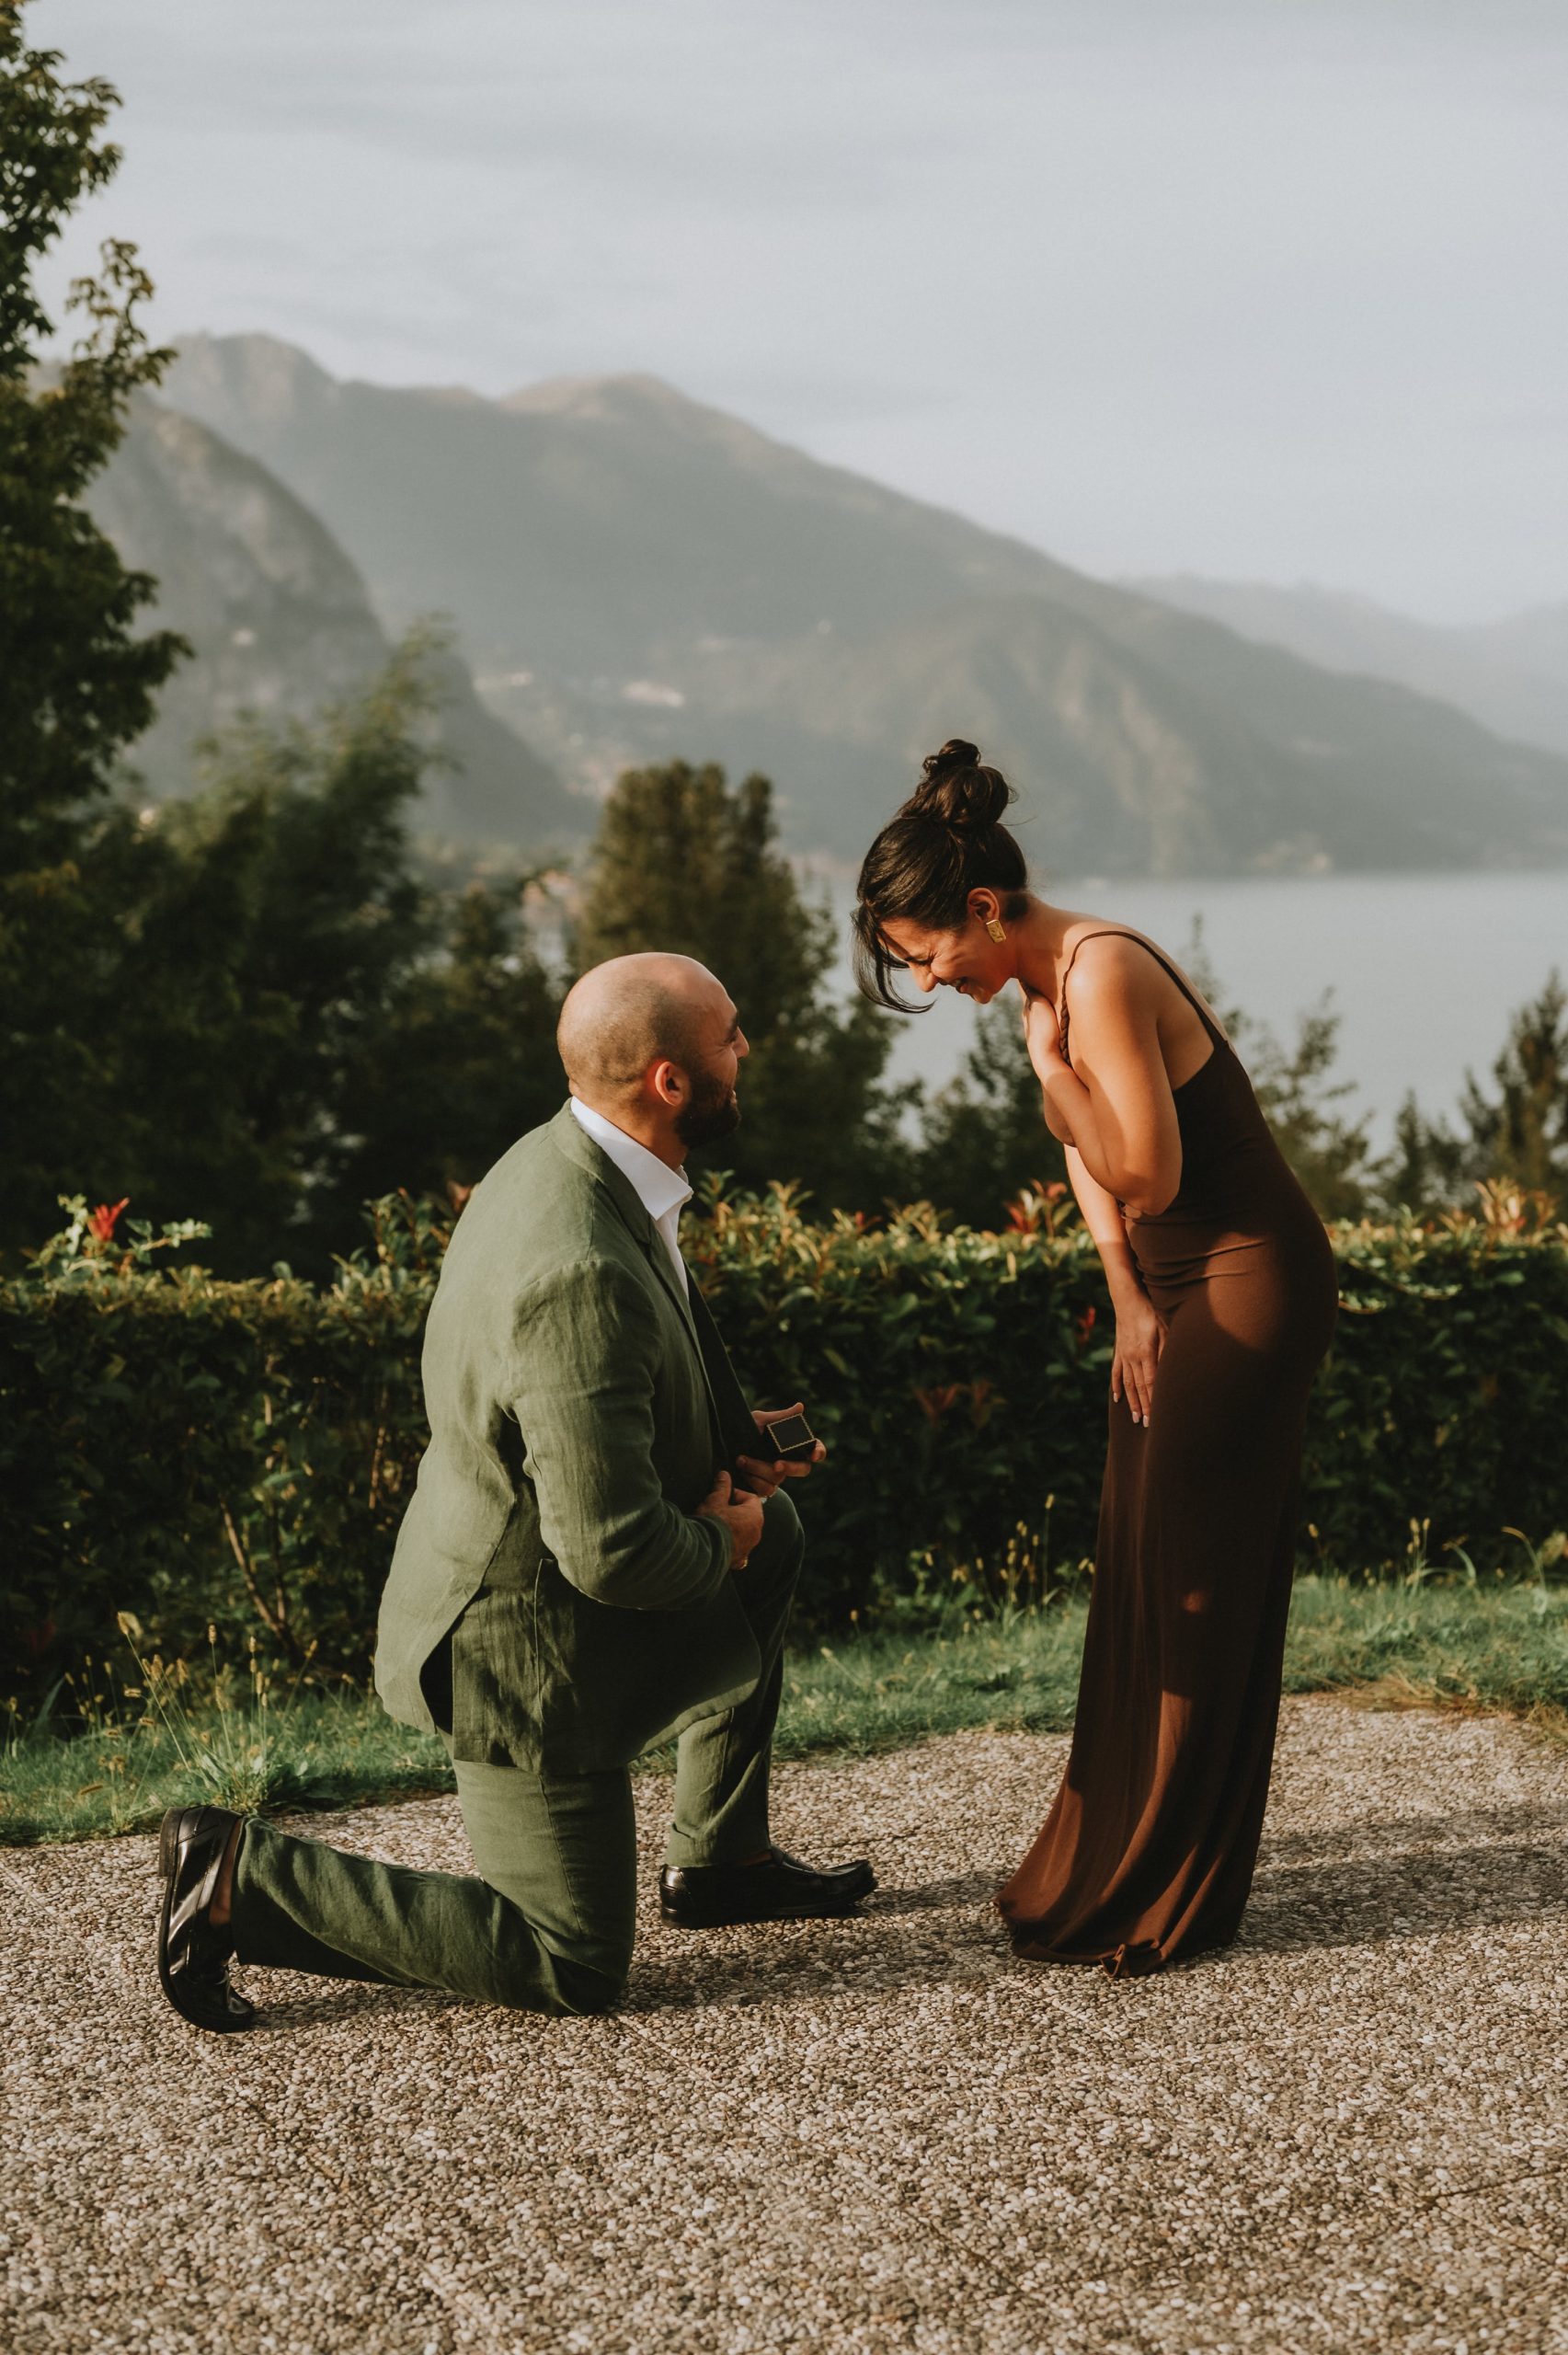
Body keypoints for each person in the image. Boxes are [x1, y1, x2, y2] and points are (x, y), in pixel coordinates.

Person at [156, 952, 874, 2032]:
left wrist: (732, 1453)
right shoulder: (575, 1259)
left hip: (543, 1581)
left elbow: (617, 1372)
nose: (747, 1049)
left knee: (773, 1531)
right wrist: (714, 1540)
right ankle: (234, 1879)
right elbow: (614, 1551)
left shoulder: (568, 1158)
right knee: (571, 1958)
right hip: (519, 1645)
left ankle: (722, 1859)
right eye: (729, 1035)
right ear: (670, 1081)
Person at [853, 741, 1337, 1975]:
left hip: (1247, 1277)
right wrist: (1122, 1290)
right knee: (1136, 1558)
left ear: (983, 906)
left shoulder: (1103, 971)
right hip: (1167, 1286)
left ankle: (1168, 1887)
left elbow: (1146, 1166)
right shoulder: (1033, 988)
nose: (925, 982)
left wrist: (1062, 1097)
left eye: (927, 954)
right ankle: (1106, 1855)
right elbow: (1095, 1177)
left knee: (1197, 1567)